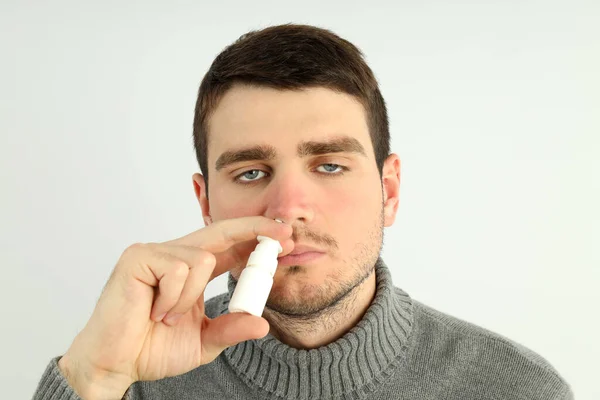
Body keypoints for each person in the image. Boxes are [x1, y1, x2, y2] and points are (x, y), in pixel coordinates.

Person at [33, 23, 573, 400]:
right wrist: (94, 379)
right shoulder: (130, 379)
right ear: (206, 204)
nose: (289, 208)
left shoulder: (520, 390)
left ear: (389, 191)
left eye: (331, 166)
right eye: (249, 173)